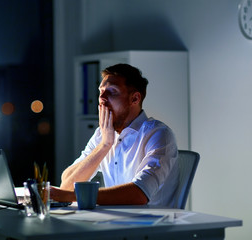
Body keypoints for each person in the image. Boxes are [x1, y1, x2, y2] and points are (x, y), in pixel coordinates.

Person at [51, 63, 179, 207]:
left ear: (135, 99)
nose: (102, 99)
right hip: (116, 222)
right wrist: (104, 145)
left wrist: (72, 196)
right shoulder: (103, 134)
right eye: (100, 92)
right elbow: (67, 184)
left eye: (112, 91)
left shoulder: (159, 134)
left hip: (153, 226)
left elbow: (139, 194)